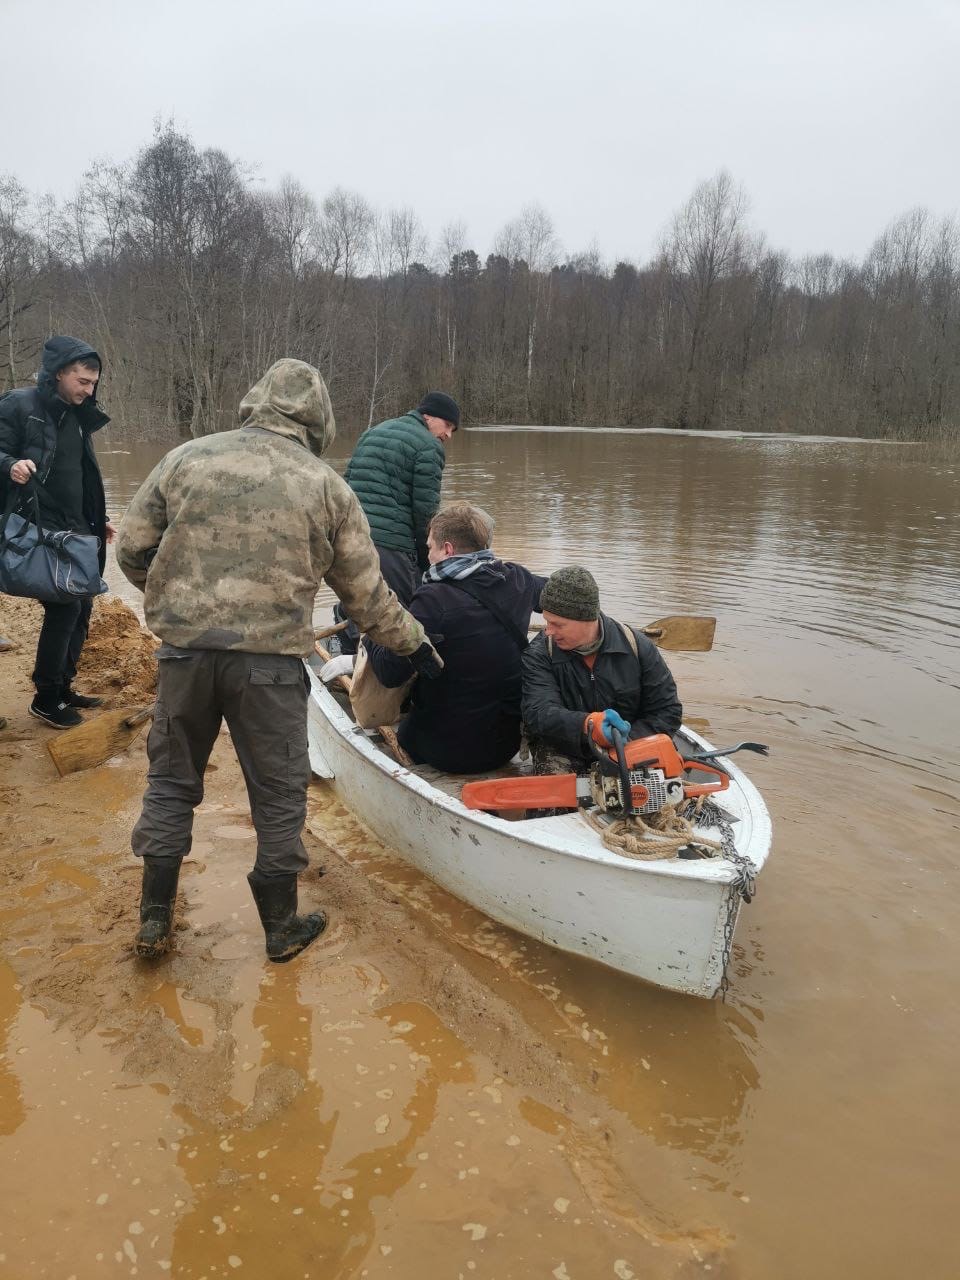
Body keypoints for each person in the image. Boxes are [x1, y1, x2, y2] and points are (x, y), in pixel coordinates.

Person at [116, 358, 441, 965]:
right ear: (319, 419)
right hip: (268, 669)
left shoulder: (186, 458)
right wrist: (415, 642)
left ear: (255, 401)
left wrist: (178, 604)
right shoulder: (325, 485)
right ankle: (281, 926)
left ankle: (155, 918)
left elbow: (133, 551)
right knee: (279, 792)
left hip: (184, 657)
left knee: (168, 782)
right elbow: (367, 599)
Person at [359, 501, 546, 774]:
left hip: (446, 750)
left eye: (430, 547)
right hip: (504, 745)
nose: (428, 555)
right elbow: (557, 592)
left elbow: (390, 673)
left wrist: (372, 633)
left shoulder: (433, 600)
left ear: (447, 549)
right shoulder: (518, 579)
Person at [0, 337, 114, 728]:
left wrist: (100, 518)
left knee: (82, 604)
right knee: (65, 606)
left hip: (76, 523)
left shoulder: (79, 414)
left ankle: (63, 686)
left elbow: (80, 473)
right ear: (59, 373)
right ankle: (46, 698)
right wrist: (10, 464)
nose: (89, 389)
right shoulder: (20, 403)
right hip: (33, 521)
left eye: (93, 383)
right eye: (82, 381)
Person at [521, 566, 682, 780]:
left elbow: (667, 711)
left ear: (586, 618)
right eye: (547, 621)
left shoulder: (637, 647)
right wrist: (587, 725)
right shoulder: (540, 653)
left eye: (557, 624)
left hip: (631, 745)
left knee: (660, 799)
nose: (548, 631)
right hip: (566, 749)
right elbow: (538, 713)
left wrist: (624, 743)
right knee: (550, 802)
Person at [336, 391, 461, 652]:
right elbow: (425, 512)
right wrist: (425, 557)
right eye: (448, 426)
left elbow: (346, 486)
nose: (448, 435)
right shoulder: (429, 446)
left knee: (356, 603)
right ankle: (396, 682)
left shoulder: (372, 433)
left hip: (353, 541)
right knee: (404, 614)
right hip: (393, 547)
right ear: (429, 416)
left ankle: (352, 669)